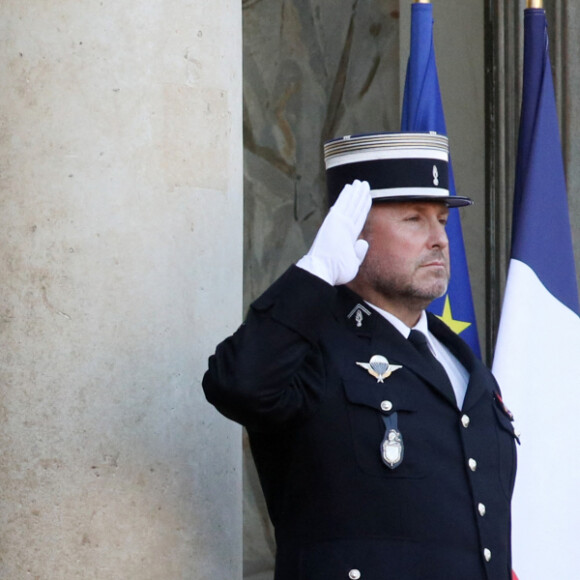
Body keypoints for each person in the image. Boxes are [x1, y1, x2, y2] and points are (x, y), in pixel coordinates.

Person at [203, 132, 517, 580]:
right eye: (413, 219)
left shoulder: (459, 359)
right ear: (351, 231)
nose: (439, 240)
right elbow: (238, 383)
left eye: (442, 220)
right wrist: (315, 273)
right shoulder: (313, 345)